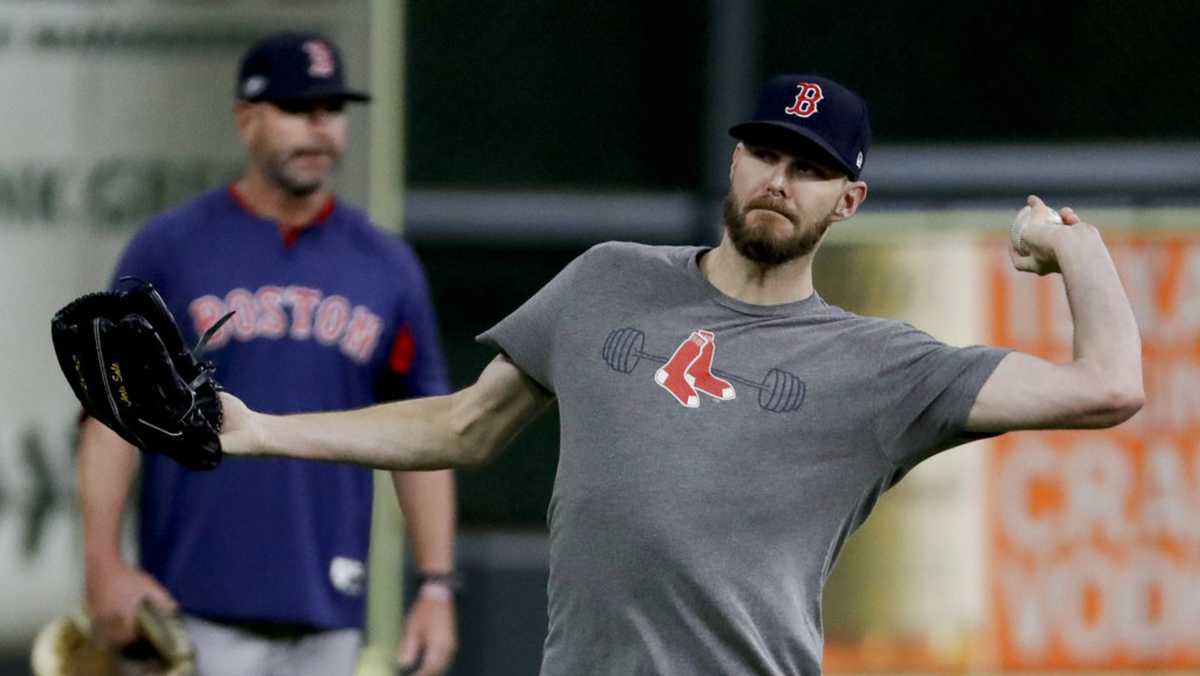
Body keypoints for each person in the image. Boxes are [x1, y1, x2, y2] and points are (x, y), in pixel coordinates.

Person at [213, 74, 1143, 674]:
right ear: (735, 160)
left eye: (811, 168)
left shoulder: (881, 365)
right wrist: (259, 430)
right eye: (767, 153)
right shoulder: (608, 279)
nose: (781, 178)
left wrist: (1072, 247)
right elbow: (462, 426)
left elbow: (1107, 385)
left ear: (848, 200)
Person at [77, 32, 458, 676]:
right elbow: (110, 419)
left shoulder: (386, 264)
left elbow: (423, 433)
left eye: (332, 109)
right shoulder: (171, 248)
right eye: (296, 108)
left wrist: (436, 585)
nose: (319, 127)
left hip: (328, 611)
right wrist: (102, 564)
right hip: (190, 610)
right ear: (246, 119)